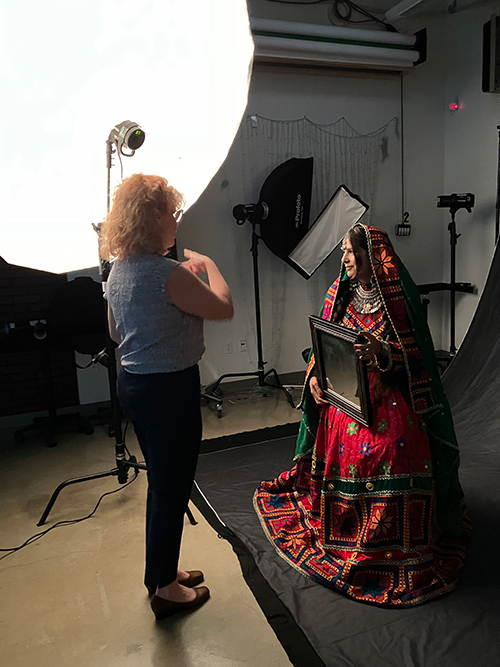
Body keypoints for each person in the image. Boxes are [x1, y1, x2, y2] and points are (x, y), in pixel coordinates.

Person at [254, 224, 470, 608]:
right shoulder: (338, 294)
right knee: (347, 438)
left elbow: (419, 361)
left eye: (350, 252)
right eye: (343, 253)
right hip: (346, 397)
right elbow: (322, 349)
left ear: (373, 256)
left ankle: (396, 543)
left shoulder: (400, 300)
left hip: (391, 395)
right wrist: (315, 380)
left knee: (391, 448)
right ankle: (346, 530)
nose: (345, 259)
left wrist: (384, 354)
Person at [99, 173, 233, 620]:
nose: (177, 220)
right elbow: (222, 308)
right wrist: (208, 265)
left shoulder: (119, 269)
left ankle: (162, 573)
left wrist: (179, 281)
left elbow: (117, 333)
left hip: (135, 384)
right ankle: (163, 589)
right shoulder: (165, 271)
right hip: (168, 388)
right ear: (153, 215)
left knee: (164, 482)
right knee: (171, 487)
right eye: (172, 212)